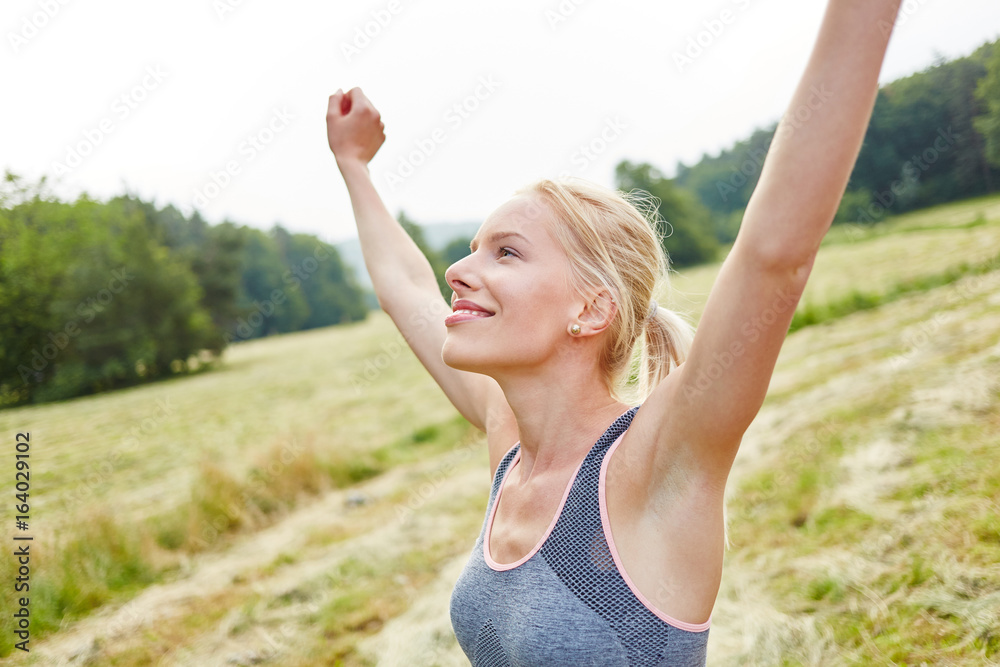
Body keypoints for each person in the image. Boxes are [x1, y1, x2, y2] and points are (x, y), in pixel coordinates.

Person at [325, 1, 904, 663]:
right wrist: (354, 165)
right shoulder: (511, 445)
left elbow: (775, 254)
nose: (457, 271)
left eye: (506, 252)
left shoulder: (656, 460)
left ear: (592, 309)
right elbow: (407, 290)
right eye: (472, 248)